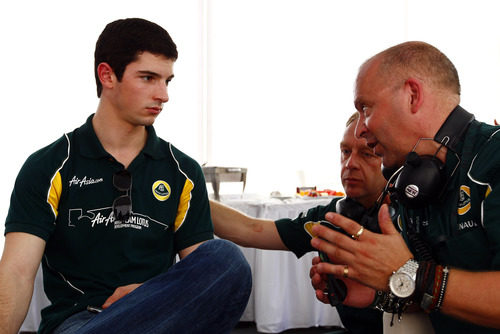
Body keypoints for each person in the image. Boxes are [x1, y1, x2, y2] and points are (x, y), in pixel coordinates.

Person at [0, 18, 251, 334]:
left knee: (226, 259)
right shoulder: (48, 166)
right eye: (148, 78)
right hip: (83, 322)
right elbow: (17, 274)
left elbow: (205, 278)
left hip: (160, 317)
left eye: (167, 81)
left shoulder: (183, 172)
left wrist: (151, 296)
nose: (163, 95)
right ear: (107, 75)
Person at [309, 41, 500, 333]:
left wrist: (411, 274)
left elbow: (425, 280)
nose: (361, 129)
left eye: (366, 108)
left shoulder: (493, 158)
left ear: (412, 95)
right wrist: (379, 290)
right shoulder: (411, 185)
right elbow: (435, 295)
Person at [211, 112, 386, 334]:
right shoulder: (334, 214)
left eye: (367, 153)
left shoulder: (416, 216)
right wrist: (187, 192)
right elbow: (251, 230)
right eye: (345, 152)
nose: (350, 163)